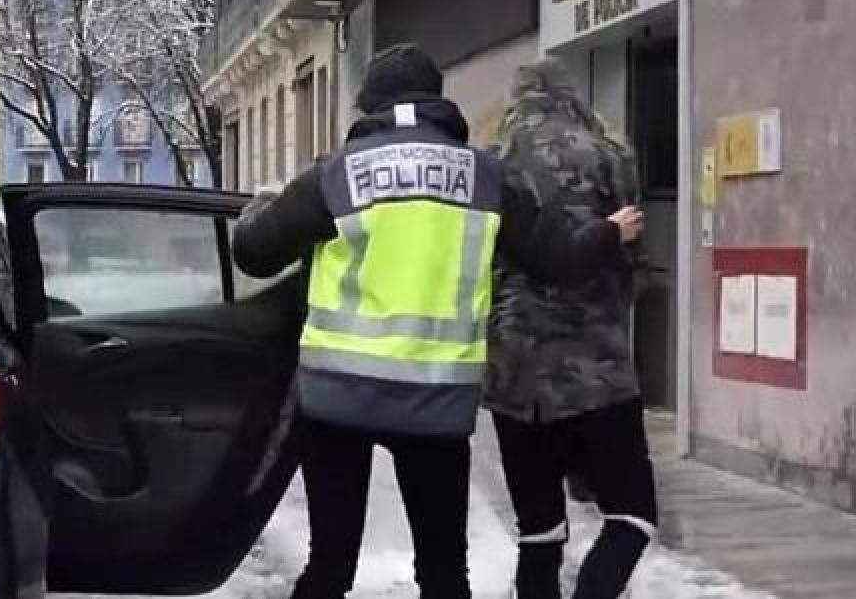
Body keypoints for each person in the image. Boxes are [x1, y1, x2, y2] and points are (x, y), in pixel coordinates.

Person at [232, 44, 643, 599]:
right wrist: (610, 230)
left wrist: (260, 208)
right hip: (434, 404)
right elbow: (558, 261)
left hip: (337, 400)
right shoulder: (485, 177)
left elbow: (254, 253)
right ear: (437, 103)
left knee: (330, 566)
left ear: (369, 106)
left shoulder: (336, 174)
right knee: (445, 572)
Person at [486, 62, 658, 599]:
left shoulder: (488, 164)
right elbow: (635, 267)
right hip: (596, 369)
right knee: (632, 514)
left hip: (513, 375)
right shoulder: (609, 155)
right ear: (570, 97)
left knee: (540, 532)